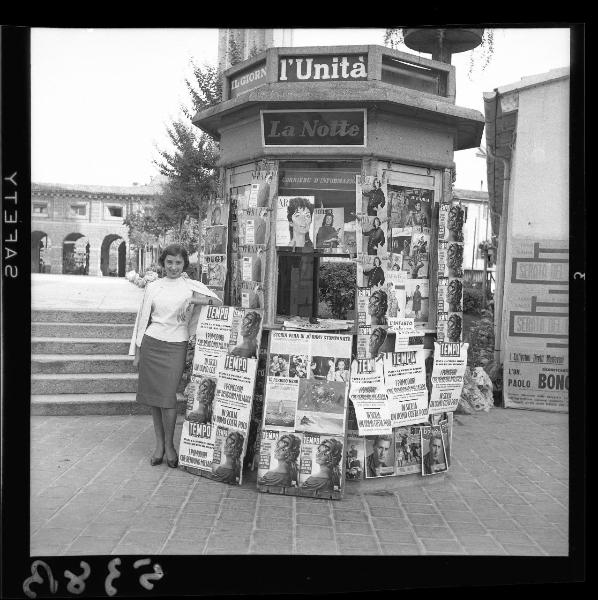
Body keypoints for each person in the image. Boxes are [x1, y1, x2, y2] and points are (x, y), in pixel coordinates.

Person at [130, 243, 219, 468]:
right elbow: (142, 321)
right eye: (169, 262)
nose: (173, 267)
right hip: (152, 343)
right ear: (163, 263)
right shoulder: (154, 287)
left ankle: (170, 445)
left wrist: (194, 300)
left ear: (184, 264)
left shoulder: (191, 286)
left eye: (178, 262)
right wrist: (137, 352)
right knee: (154, 401)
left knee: (168, 399)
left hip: (176, 345)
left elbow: (218, 302)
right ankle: (159, 445)